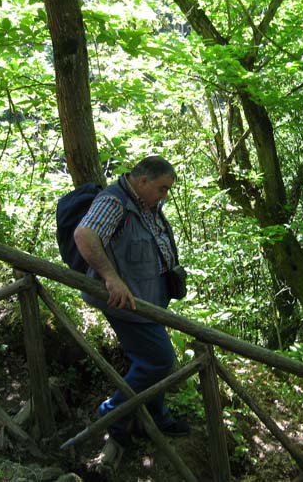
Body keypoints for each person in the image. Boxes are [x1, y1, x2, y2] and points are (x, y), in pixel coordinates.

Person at [74, 155, 190, 449]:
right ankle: (113, 413)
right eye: (162, 188)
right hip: (128, 302)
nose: (165, 195)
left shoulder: (145, 202)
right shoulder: (114, 203)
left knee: (155, 360)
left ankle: (154, 414)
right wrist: (111, 277)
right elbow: (85, 235)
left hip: (150, 297)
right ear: (142, 182)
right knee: (159, 360)